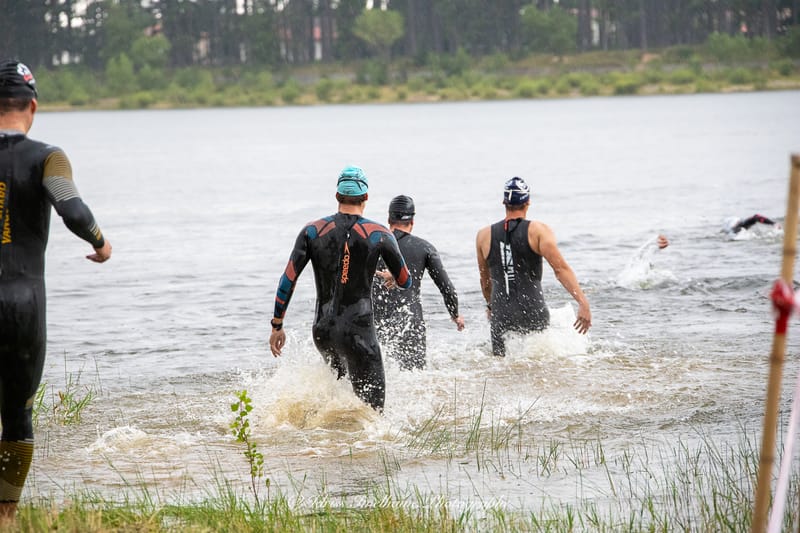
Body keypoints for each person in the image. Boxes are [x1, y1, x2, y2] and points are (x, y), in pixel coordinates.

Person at [0, 59, 112, 521]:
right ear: (33, 106)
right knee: (18, 415)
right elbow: (71, 208)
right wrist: (100, 243)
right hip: (23, 303)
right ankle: (5, 515)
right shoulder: (49, 156)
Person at [269, 166, 411, 412]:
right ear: (366, 197)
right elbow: (405, 280)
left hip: (323, 332)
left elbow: (287, 279)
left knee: (337, 404)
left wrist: (277, 326)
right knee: (373, 415)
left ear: (337, 196)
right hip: (359, 333)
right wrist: (392, 277)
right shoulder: (379, 234)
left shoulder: (312, 231)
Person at [475, 176, 591, 357]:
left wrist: (491, 306)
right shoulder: (538, 231)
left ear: (504, 202)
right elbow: (561, 270)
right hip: (533, 310)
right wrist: (582, 302)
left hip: (501, 315)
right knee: (540, 368)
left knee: (499, 371)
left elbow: (485, 281)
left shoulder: (483, 236)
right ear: (527, 202)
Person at [372, 195, 464, 370]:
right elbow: (447, 289)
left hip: (375, 323)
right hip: (410, 323)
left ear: (389, 219)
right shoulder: (424, 248)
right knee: (414, 378)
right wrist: (455, 315)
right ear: (412, 221)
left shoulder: (372, 245)